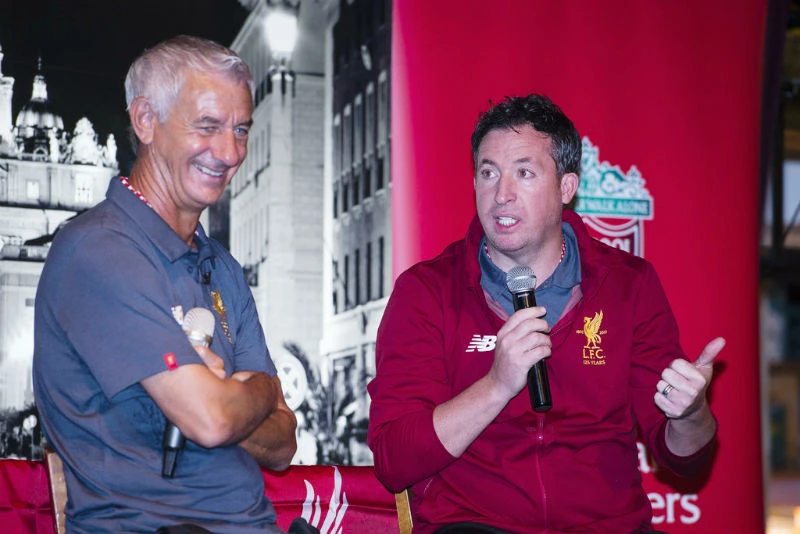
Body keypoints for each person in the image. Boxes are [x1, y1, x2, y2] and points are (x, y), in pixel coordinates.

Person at [367, 94, 723, 534]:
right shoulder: (427, 291)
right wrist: (497, 385)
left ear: (566, 188)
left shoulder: (629, 284)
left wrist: (689, 414)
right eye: (488, 173)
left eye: (524, 173)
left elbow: (684, 459)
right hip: (475, 523)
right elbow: (393, 460)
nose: (502, 194)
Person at [33, 36, 304, 534]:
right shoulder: (95, 251)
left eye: (240, 130)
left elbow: (284, 445)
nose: (229, 153)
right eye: (207, 127)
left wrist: (234, 396)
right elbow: (211, 421)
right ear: (145, 120)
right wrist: (261, 391)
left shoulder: (222, 266)